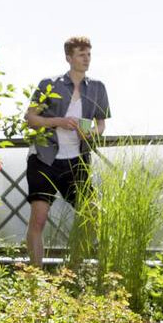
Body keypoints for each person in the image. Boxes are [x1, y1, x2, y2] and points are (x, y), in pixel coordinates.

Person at [24, 36, 110, 267]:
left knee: (92, 215)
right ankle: (35, 276)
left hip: (76, 161)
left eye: (89, 54)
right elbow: (30, 119)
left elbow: (101, 125)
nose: (87, 59)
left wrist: (90, 134)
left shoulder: (98, 88)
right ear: (68, 58)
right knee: (39, 219)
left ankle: (72, 268)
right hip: (44, 159)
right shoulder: (49, 84)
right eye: (81, 54)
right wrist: (59, 121)